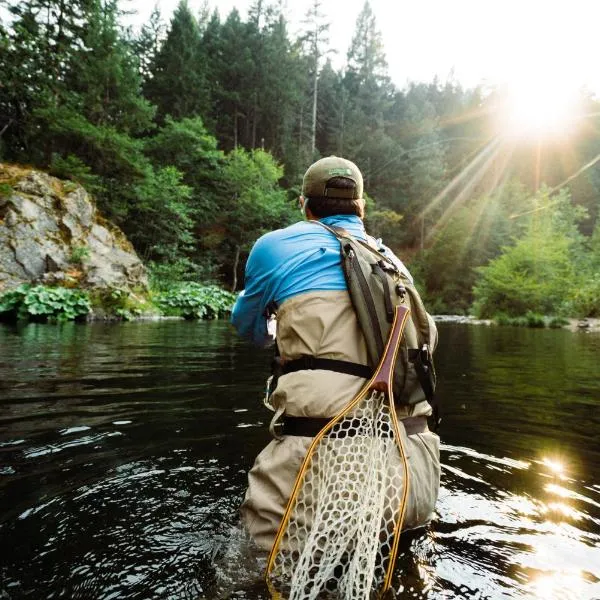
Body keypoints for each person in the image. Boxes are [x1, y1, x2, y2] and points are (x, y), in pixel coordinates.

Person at [231, 156, 440, 552]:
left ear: (304, 206)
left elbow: (248, 327)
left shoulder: (274, 247)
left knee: (252, 572)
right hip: (416, 471)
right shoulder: (395, 265)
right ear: (361, 208)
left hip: (324, 470)